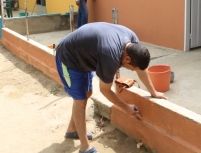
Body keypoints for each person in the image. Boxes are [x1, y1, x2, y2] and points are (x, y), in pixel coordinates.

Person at [55, 22, 167, 153]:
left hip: (83, 54)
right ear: (127, 59)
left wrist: (153, 92)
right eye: (132, 68)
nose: (132, 71)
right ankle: (85, 147)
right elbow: (105, 90)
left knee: (87, 93)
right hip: (69, 57)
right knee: (80, 101)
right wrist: (126, 107)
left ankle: (72, 130)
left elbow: (141, 69)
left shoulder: (133, 41)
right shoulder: (110, 56)